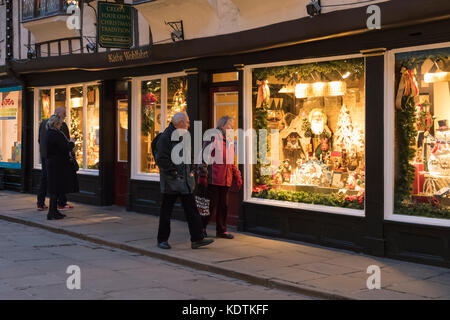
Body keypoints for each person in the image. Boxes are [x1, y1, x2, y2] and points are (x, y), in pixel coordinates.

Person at [154, 112, 214, 250]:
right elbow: (162, 159)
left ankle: (197, 238)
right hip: (171, 182)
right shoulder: (166, 137)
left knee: (192, 211)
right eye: (187, 122)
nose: (188, 124)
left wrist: (192, 168)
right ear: (180, 122)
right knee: (166, 212)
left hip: (185, 182)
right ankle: (162, 240)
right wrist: (174, 173)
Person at [199, 116, 242, 239]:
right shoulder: (212, 138)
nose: (231, 129)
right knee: (210, 205)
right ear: (222, 126)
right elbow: (204, 156)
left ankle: (221, 230)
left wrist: (236, 175)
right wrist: (203, 174)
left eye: (233, 127)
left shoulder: (229, 142)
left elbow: (231, 161)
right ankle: (202, 228)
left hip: (226, 179)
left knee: (224, 206)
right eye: (229, 126)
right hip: (213, 178)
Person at [37, 107, 74, 211]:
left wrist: (45, 152)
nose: (65, 115)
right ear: (57, 113)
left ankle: (40, 203)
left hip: (45, 155)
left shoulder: (43, 123)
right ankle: (61, 203)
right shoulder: (61, 125)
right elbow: (65, 143)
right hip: (58, 158)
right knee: (59, 180)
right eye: (64, 113)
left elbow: (39, 140)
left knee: (44, 178)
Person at [45, 115, 79, 220]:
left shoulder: (48, 133)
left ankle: (54, 211)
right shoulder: (56, 134)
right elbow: (64, 148)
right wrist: (72, 144)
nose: (61, 125)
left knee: (55, 188)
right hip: (58, 165)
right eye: (60, 123)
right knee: (56, 189)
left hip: (52, 164)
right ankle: (52, 213)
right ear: (57, 124)